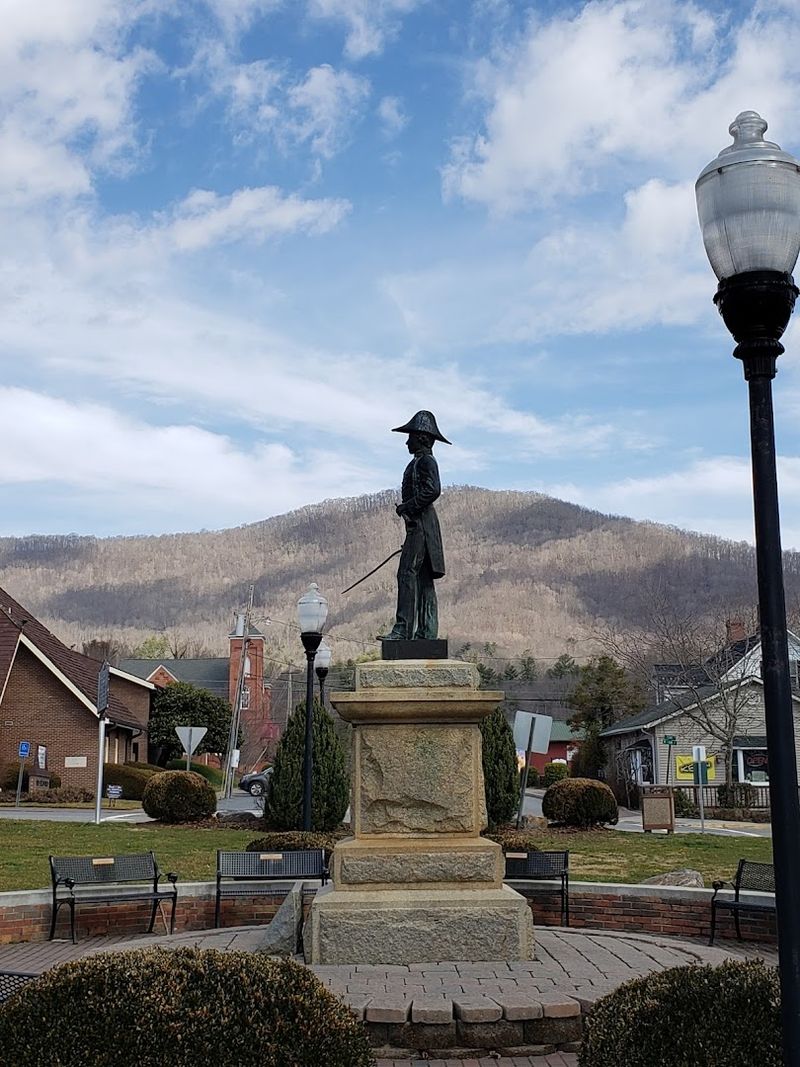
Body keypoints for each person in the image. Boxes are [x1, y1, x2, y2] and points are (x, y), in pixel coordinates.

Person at [379, 410, 450, 642]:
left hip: (422, 525)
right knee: (421, 578)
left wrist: (408, 506)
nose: (407, 441)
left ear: (422, 438)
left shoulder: (427, 461)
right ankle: (426, 632)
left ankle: (403, 629)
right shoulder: (417, 462)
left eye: (410, 436)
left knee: (407, 573)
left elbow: (433, 490)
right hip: (418, 526)